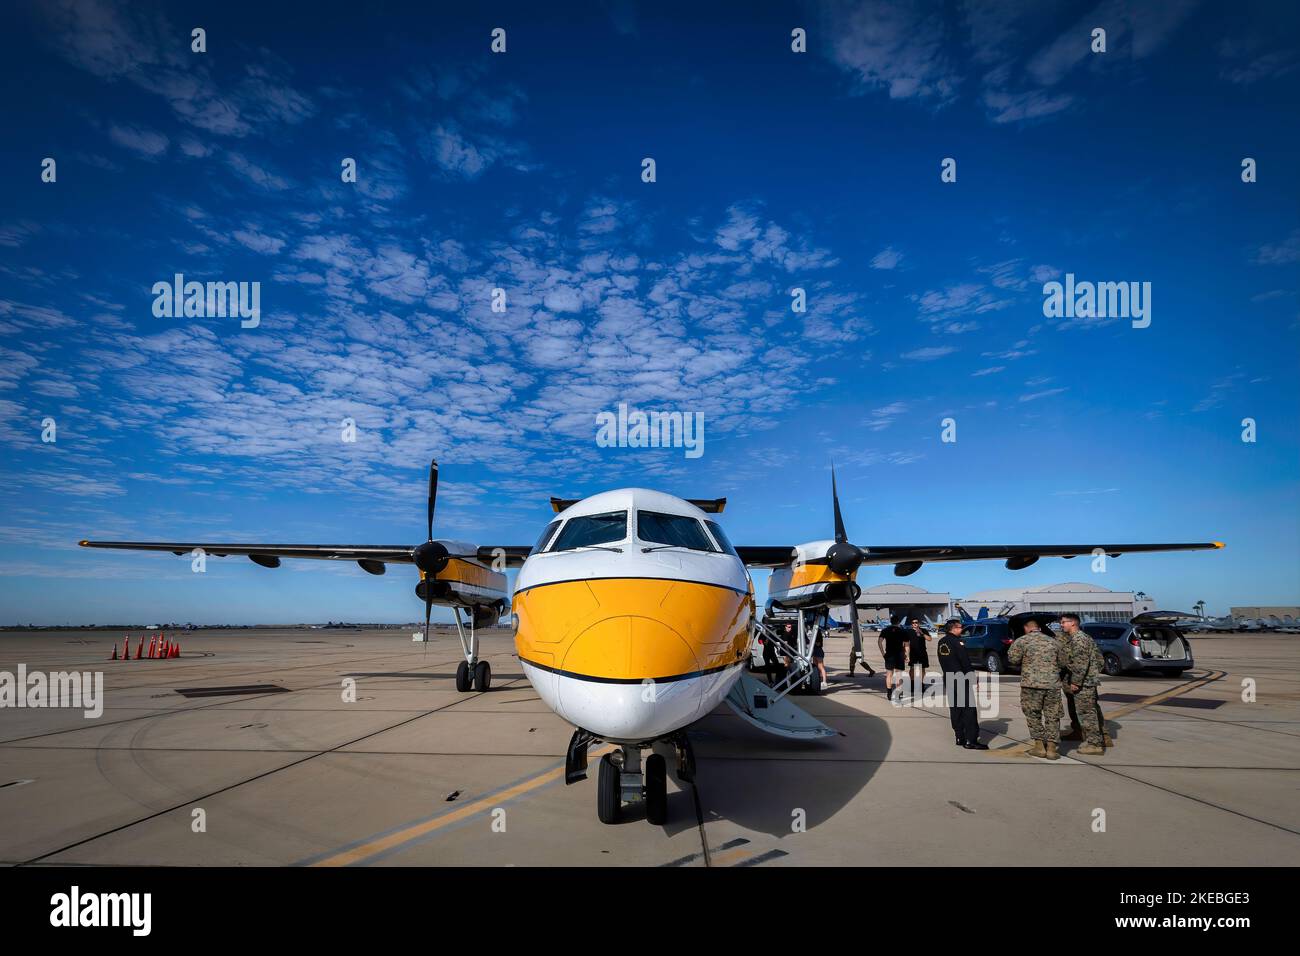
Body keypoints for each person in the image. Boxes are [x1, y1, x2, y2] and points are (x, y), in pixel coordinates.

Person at [1007, 618, 1067, 759]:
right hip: (1052, 684)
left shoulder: (1022, 641)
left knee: (1033, 715)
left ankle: (1039, 747)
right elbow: (1063, 662)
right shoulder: (1054, 641)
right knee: (1053, 716)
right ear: (1039, 628)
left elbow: (1013, 659)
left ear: (1027, 628)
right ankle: (1052, 748)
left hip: (1031, 685)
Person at [1058, 613, 1109, 753]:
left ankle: (1094, 745)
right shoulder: (1079, 638)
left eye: (1063, 622)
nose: (1061, 625)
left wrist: (1076, 681)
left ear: (1073, 623)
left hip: (1083, 683)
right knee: (1089, 710)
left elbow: (1080, 663)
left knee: (1086, 713)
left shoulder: (1079, 639)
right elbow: (1098, 660)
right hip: (1087, 680)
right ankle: (1097, 737)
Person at [936, 619, 987, 749]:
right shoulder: (958, 642)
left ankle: (959, 736)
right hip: (961, 678)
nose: (962, 629)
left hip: (949, 677)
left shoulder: (942, 642)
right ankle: (971, 740)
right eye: (960, 627)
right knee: (969, 710)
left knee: (955, 709)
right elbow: (965, 662)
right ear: (953, 629)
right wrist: (972, 678)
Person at [878, 613, 910, 702]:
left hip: (889, 655)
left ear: (891, 622)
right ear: (898, 622)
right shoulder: (903, 631)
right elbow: (907, 645)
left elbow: (879, 642)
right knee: (899, 675)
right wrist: (907, 655)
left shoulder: (885, 630)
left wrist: (883, 653)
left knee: (889, 675)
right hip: (899, 655)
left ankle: (889, 693)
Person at [907, 617, 932, 695]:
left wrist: (922, 633)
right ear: (911, 624)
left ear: (919, 623)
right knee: (912, 669)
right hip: (913, 653)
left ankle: (921, 684)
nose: (915, 624)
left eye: (916, 622)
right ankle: (912, 684)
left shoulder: (923, 630)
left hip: (922, 652)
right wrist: (906, 653)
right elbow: (906, 642)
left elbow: (929, 639)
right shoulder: (909, 631)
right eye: (913, 623)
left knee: (922, 670)